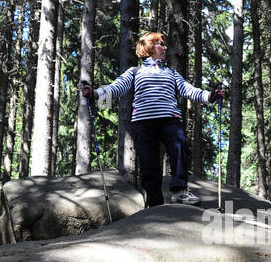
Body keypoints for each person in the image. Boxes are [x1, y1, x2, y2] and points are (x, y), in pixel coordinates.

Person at [80, 32, 226, 206]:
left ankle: (180, 191)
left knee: (179, 145)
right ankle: (155, 203)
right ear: (149, 47)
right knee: (149, 163)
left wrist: (211, 96)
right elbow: (116, 88)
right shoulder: (135, 71)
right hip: (143, 122)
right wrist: (95, 94)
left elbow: (189, 90)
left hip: (169, 118)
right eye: (160, 44)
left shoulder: (171, 73)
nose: (165, 47)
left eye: (164, 44)